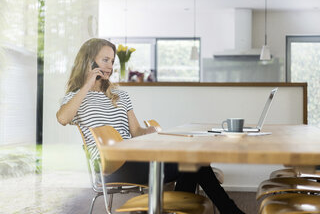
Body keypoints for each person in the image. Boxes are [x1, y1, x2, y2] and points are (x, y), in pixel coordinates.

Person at [56, 38, 245, 214]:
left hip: (135, 158)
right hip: (111, 166)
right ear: (89, 62)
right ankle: (231, 211)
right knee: (194, 163)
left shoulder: (120, 95)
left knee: (193, 162)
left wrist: (151, 132)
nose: (110, 66)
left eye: (112, 61)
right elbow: (63, 118)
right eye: (105, 60)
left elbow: (136, 132)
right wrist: (87, 85)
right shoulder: (76, 97)